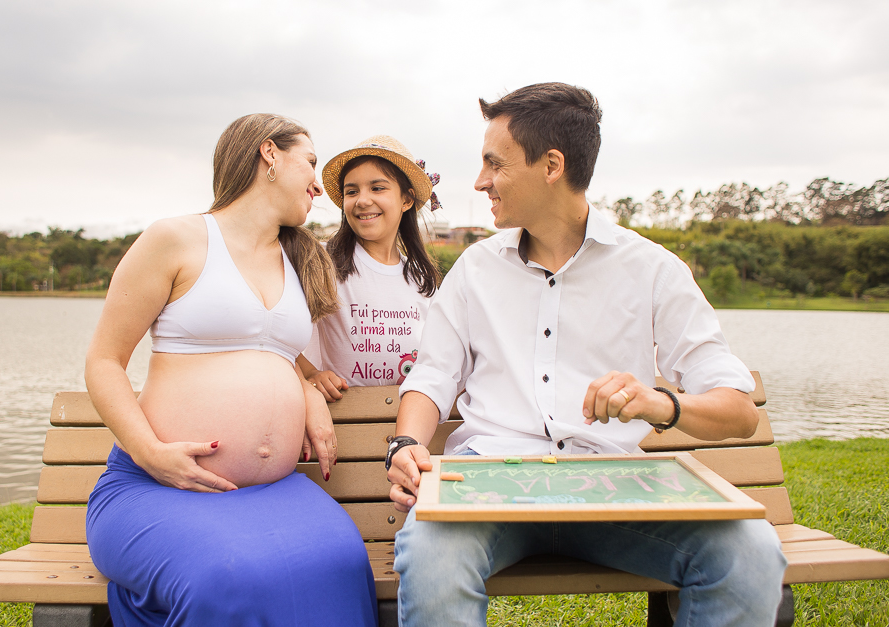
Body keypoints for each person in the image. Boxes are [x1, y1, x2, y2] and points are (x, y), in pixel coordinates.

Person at [385, 84, 787, 627]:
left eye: (494, 164)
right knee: (431, 559)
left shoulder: (653, 269)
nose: (480, 181)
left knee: (750, 552)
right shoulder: (475, 270)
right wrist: (407, 442)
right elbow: (432, 376)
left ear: (552, 165)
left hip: (616, 484)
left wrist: (661, 403)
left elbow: (738, 411)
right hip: (487, 487)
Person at [84, 114, 378, 626]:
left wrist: (307, 386)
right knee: (224, 578)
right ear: (269, 154)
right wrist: (151, 453)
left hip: (273, 491)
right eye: (309, 162)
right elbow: (104, 362)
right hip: (162, 486)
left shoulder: (300, 260)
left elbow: (272, 352)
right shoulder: (176, 238)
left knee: (345, 564)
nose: (318, 184)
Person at [298, 136, 441, 402]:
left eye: (377, 188)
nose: (362, 200)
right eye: (351, 192)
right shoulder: (321, 260)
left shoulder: (420, 279)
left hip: (404, 417)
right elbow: (272, 327)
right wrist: (310, 373)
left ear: (406, 200)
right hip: (343, 418)